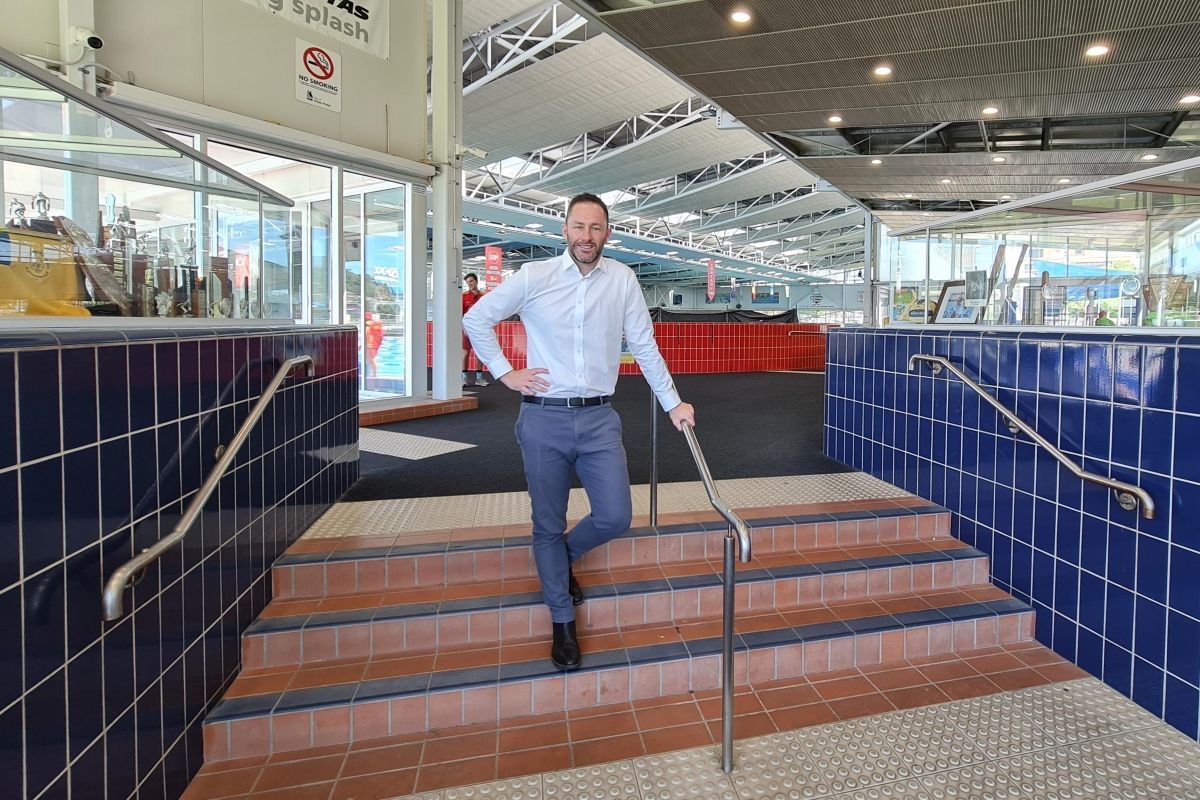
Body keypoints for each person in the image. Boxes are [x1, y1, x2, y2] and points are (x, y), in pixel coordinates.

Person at [463, 193, 695, 671]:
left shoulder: (623, 280)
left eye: (596, 227)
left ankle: (559, 559)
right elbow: (476, 318)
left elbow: (645, 348)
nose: (586, 236)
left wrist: (673, 403)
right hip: (543, 417)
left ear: (607, 232)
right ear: (564, 230)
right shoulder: (535, 277)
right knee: (546, 522)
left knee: (615, 515)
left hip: (597, 418)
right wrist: (507, 373)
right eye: (578, 226)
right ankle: (563, 622)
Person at [461, 272, 488, 387]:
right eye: (467, 282)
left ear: (476, 281)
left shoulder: (484, 296)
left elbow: (487, 313)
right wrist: (463, 328)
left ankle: (479, 378)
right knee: (465, 353)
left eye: (471, 281)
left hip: (480, 328)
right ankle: (464, 378)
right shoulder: (463, 296)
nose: (469, 284)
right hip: (467, 329)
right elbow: (460, 313)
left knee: (479, 353)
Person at [364, 312, 384, 376]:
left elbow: (366, 335)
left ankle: (374, 375)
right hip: (375, 344)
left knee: (372, 360)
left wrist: (362, 345)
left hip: (370, 344)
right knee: (371, 359)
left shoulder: (368, 325)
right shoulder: (374, 324)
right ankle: (373, 374)